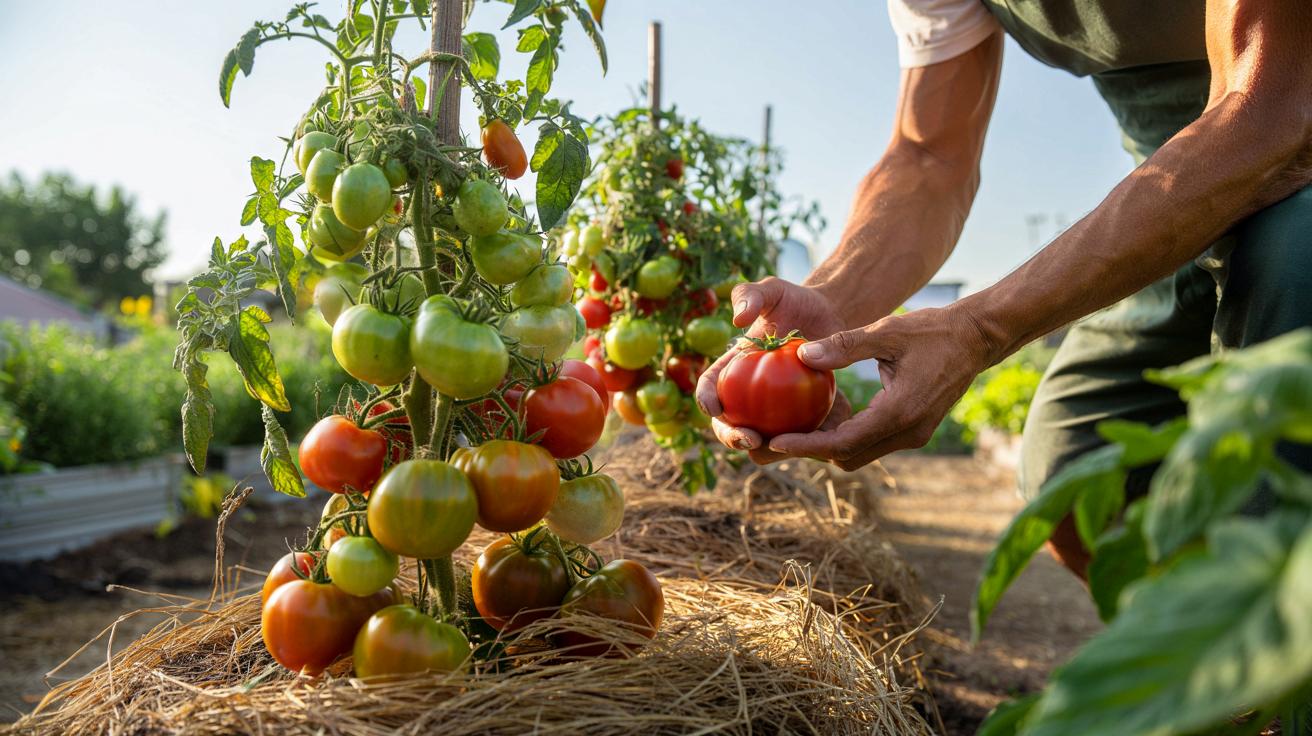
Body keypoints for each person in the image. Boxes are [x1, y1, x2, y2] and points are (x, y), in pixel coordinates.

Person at [695, 0, 1312, 578]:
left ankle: (1273, 639)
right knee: (1073, 470)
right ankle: (1189, 646)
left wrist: (980, 327)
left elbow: (1266, 109)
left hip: (1288, 149)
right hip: (1170, 188)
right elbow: (929, 155)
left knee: (1273, 452)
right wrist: (832, 301)